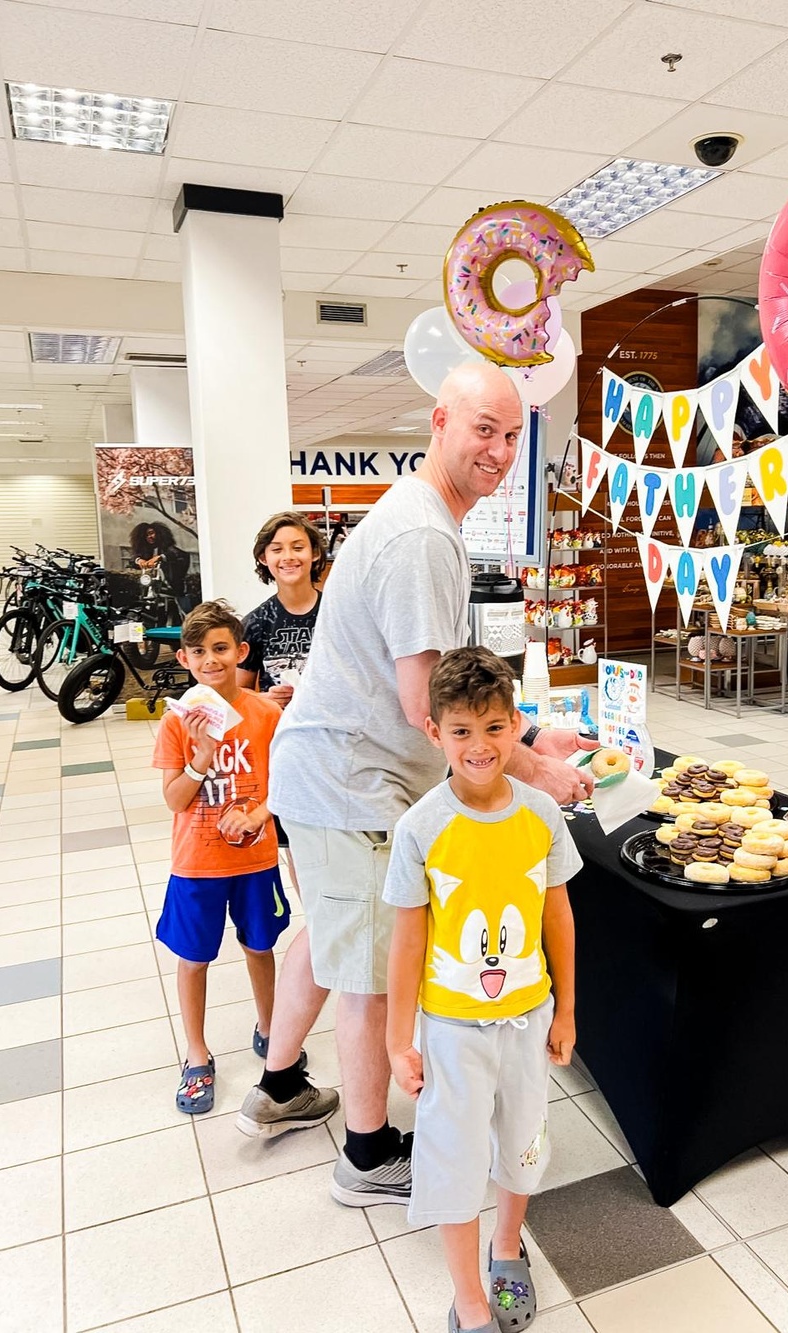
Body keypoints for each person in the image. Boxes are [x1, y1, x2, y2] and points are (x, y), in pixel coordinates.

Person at [236, 363, 596, 1208]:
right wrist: (537, 771)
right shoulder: (424, 535)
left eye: (513, 436)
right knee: (365, 970)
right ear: (441, 421)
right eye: (484, 429)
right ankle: (365, 1155)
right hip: (351, 782)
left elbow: (451, 680)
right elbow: (428, 703)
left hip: (325, 771)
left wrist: (532, 729)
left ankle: (282, 1083)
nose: (500, 451)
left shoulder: (420, 515)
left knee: (326, 936)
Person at [385, 646, 581, 1333]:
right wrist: (396, 1039)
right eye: (461, 730)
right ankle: (468, 1294)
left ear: (515, 724)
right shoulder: (421, 829)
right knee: (453, 1155)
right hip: (451, 1028)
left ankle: (506, 1247)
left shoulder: (541, 815)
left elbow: (558, 913)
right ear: (434, 731)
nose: (479, 745)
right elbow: (407, 941)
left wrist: (567, 1011)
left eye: (494, 728)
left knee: (523, 1141)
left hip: (530, 1017)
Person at [153, 600, 319, 1117]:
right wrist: (201, 758)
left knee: (260, 946)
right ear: (184, 659)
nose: (211, 660)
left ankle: (271, 1028)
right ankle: (197, 1054)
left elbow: (289, 784)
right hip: (196, 863)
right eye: (199, 652)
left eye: (221, 648)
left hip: (256, 861)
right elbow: (175, 799)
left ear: (242, 651)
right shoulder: (178, 722)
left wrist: (259, 814)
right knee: (193, 957)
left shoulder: (266, 715)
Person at [239, 511, 327, 707]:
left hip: (333, 731)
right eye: (277, 550)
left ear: (315, 553)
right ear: (263, 558)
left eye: (297, 547)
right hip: (278, 731)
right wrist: (265, 699)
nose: (288, 557)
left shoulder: (337, 614)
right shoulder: (255, 623)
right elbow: (238, 694)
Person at [129, 520, 194, 615]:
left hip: (172, 590)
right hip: (151, 591)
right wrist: (139, 560)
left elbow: (181, 554)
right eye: (146, 535)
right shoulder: (145, 551)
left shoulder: (168, 548)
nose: (149, 537)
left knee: (184, 614)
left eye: (151, 533)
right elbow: (132, 560)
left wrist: (160, 557)